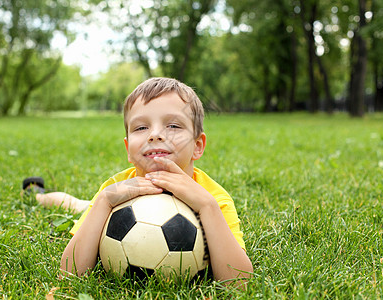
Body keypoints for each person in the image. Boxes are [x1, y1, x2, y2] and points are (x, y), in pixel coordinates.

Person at [24, 77, 253, 285]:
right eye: (141, 127)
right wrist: (103, 201)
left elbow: (240, 282)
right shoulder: (115, 189)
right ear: (128, 150)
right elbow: (70, 273)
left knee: (80, 204)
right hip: (113, 198)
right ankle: (38, 194)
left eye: (173, 125)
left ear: (198, 146)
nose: (155, 135)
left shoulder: (214, 198)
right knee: (77, 204)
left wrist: (206, 207)